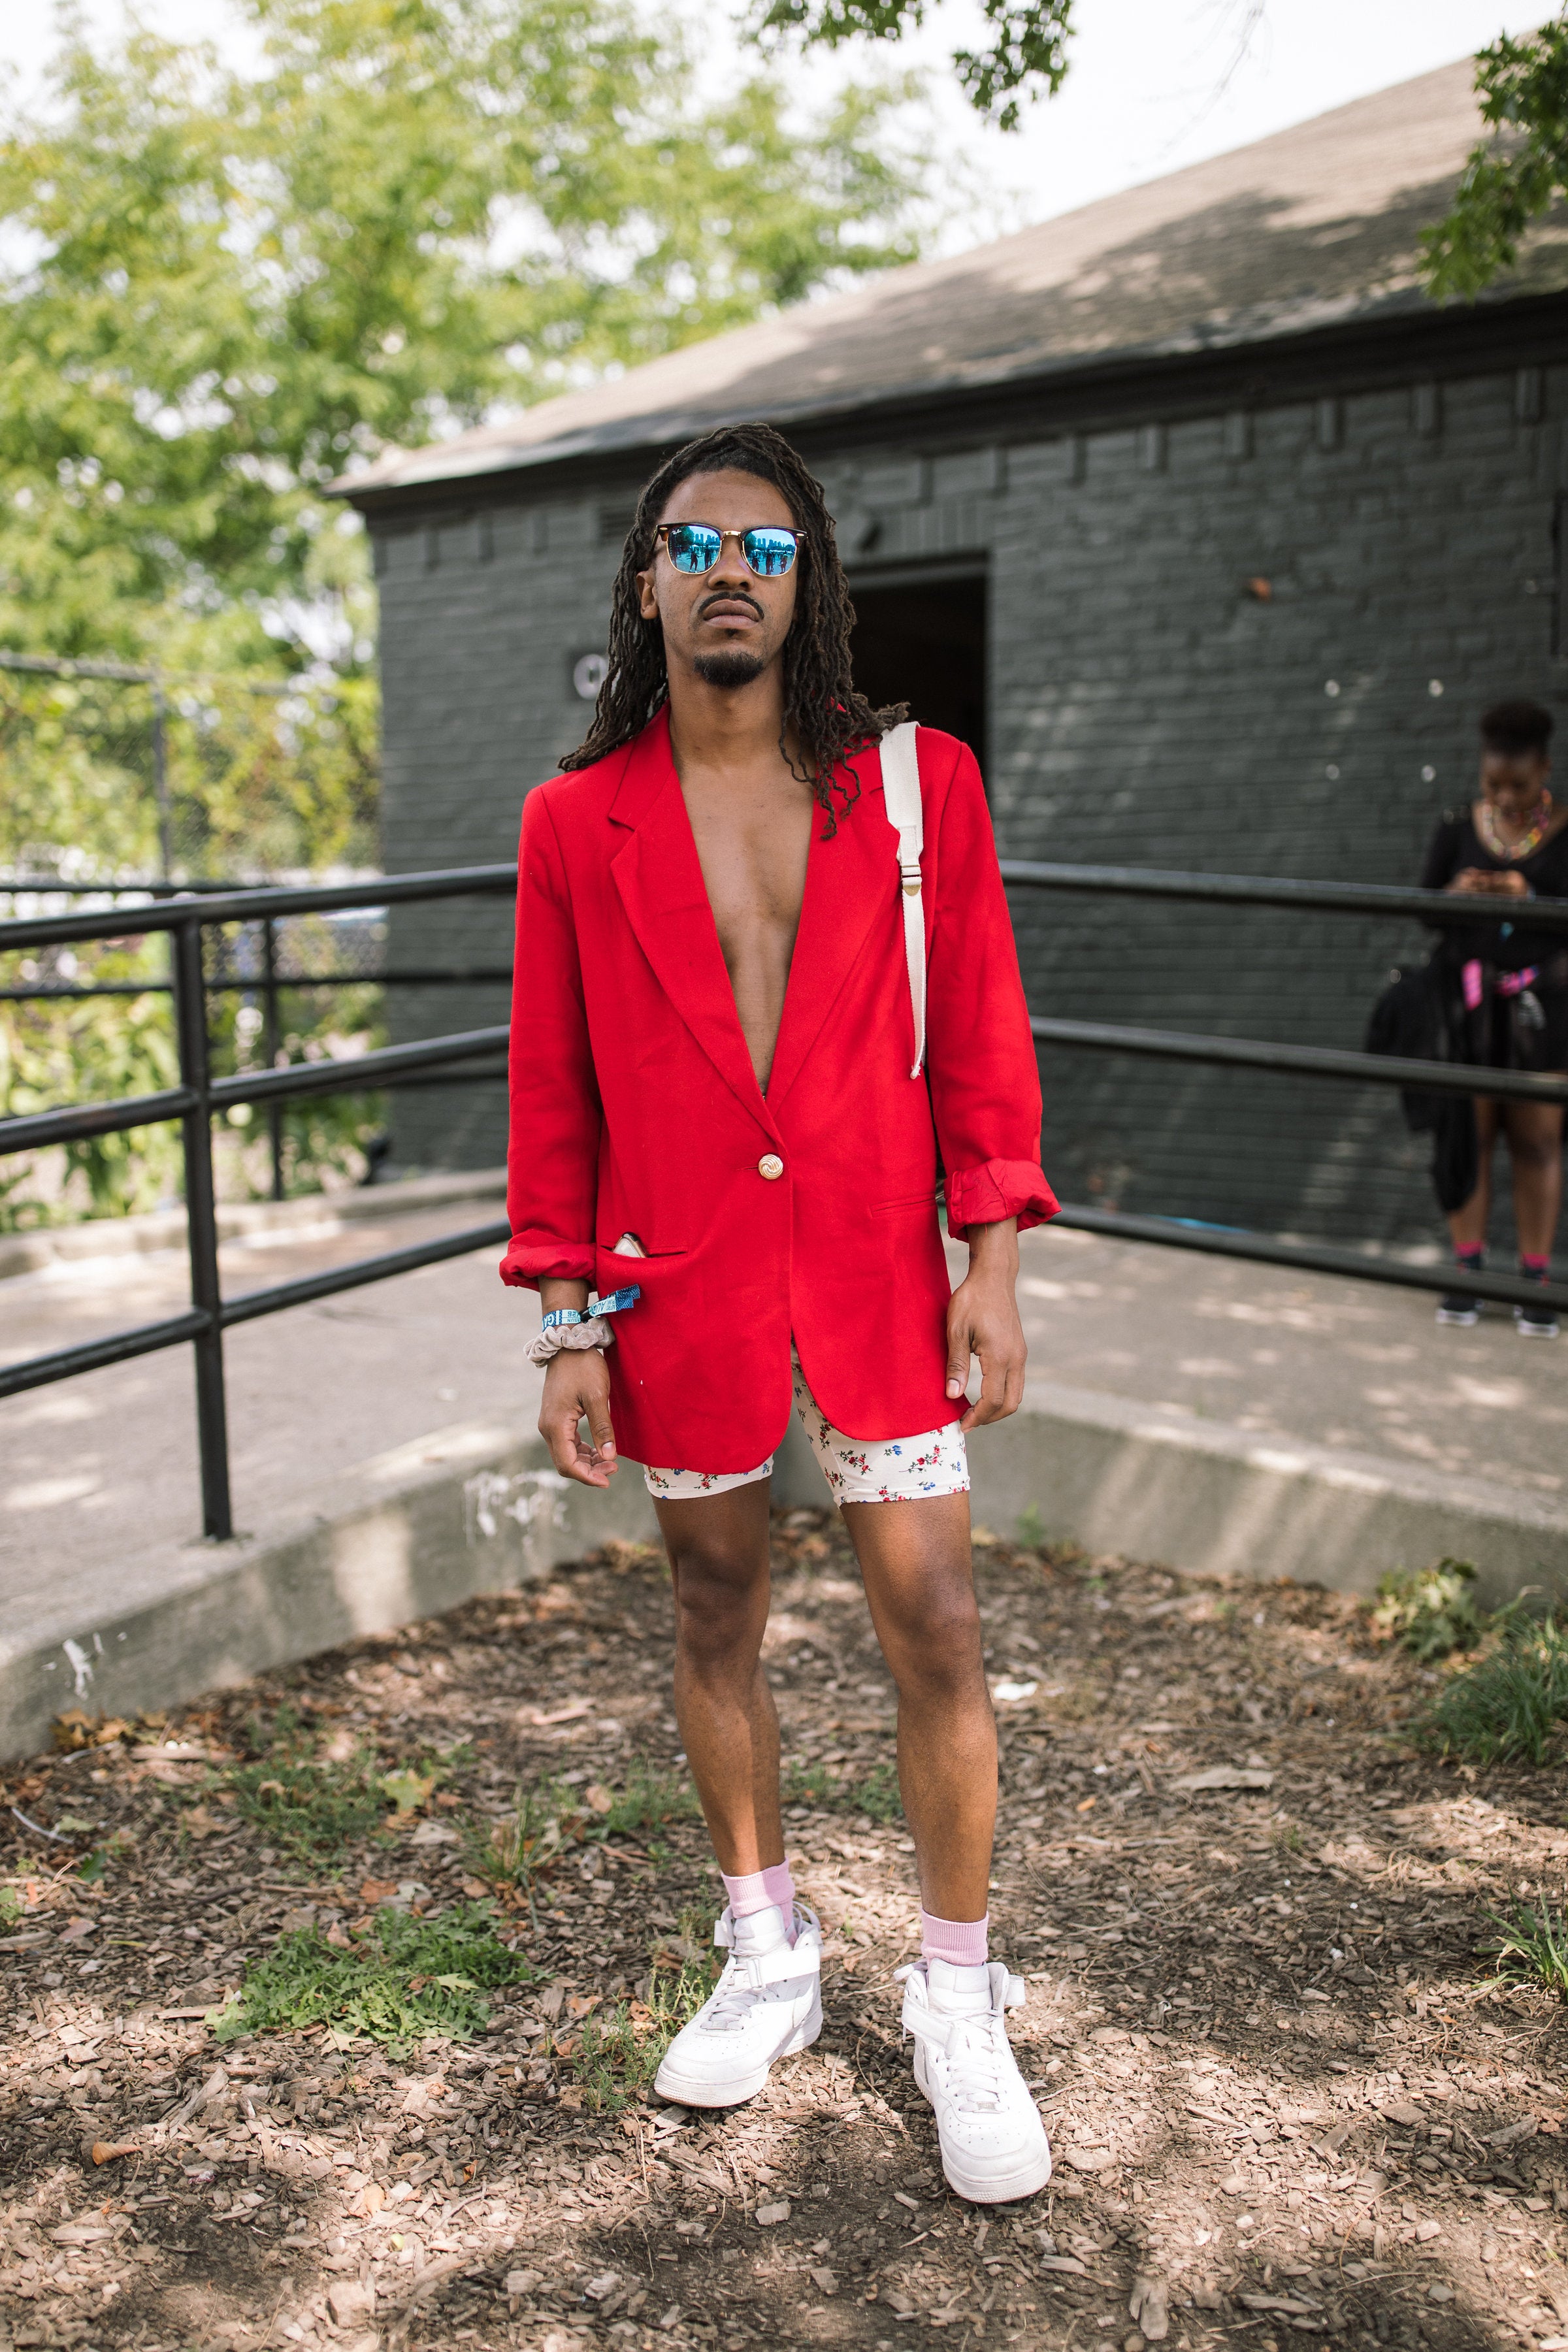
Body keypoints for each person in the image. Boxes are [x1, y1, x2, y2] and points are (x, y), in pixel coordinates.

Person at [500, 421, 1056, 2203]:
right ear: (647, 583)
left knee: (940, 1623)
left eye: (765, 545)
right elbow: (553, 1088)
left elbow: (979, 1031)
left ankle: (959, 1998)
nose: (728, 571)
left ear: (808, 577)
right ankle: (770, 1953)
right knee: (714, 1601)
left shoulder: (914, 787)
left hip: (882, 1272)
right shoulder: (572, 823)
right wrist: (565, 1319)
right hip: (680, 1280)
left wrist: (995, 1265)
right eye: (693, 546)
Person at [1422, 698, 1568, 1339]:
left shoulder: (1566, 829)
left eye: (1520, 783)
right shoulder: (1457, 828)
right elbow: (1424, 911)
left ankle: (1534, 1276)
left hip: (1544, 1011)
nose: (1506, 796)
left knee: (1537, 1141)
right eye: (1493, 784)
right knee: (1468, 1137)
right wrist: (1456, 896)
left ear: (1544, 768)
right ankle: (1469, 1273)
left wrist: (1529, 896)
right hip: (1470, 1007)